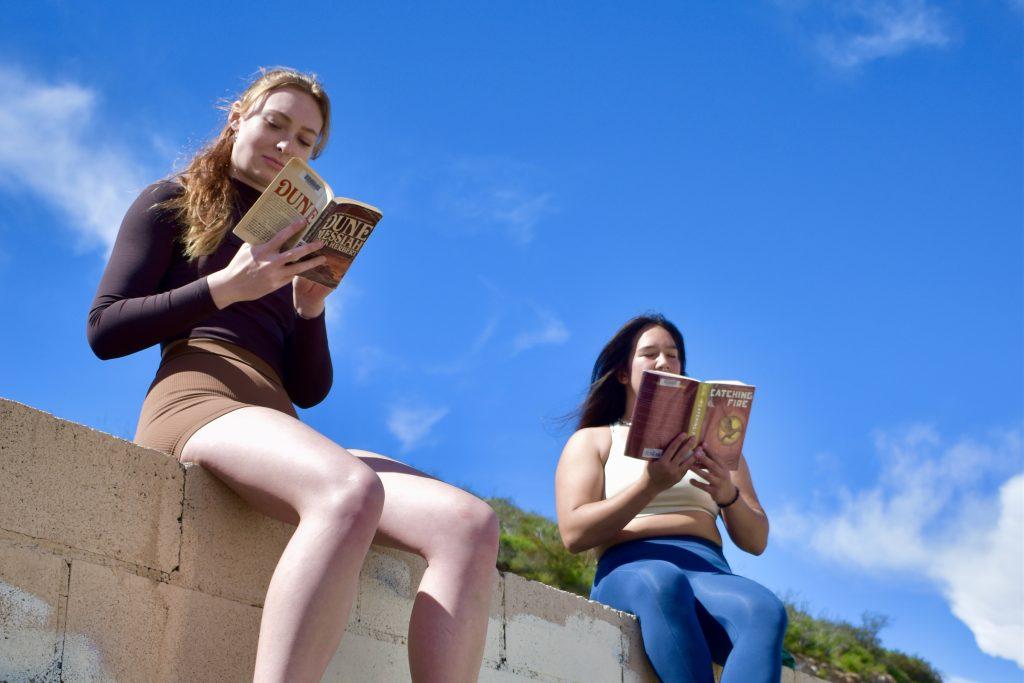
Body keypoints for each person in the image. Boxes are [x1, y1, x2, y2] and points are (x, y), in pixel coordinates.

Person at [87, 67, 499, 683]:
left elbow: (309, 389)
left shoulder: (293, 235)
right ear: (237, 120)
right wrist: (227, 286)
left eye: (306, 141)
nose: (288, 146)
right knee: (348, 490)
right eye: (275, 124)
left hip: (273, 414)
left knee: (469, 523)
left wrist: (310, 308)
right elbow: (105, 329)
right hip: (196, 396)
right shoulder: (167, 200)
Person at [554, 314, 786, 682]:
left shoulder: (716, 445)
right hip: (630, 568)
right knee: (661, 581)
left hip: (709, 572)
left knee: (763, 608)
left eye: (673, 355)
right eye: (650, 354)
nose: (664, 362)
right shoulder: (595, 440)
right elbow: (573, 533)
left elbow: (757, 541)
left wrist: (728, 495)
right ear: (623, 373)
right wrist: (650, 485)